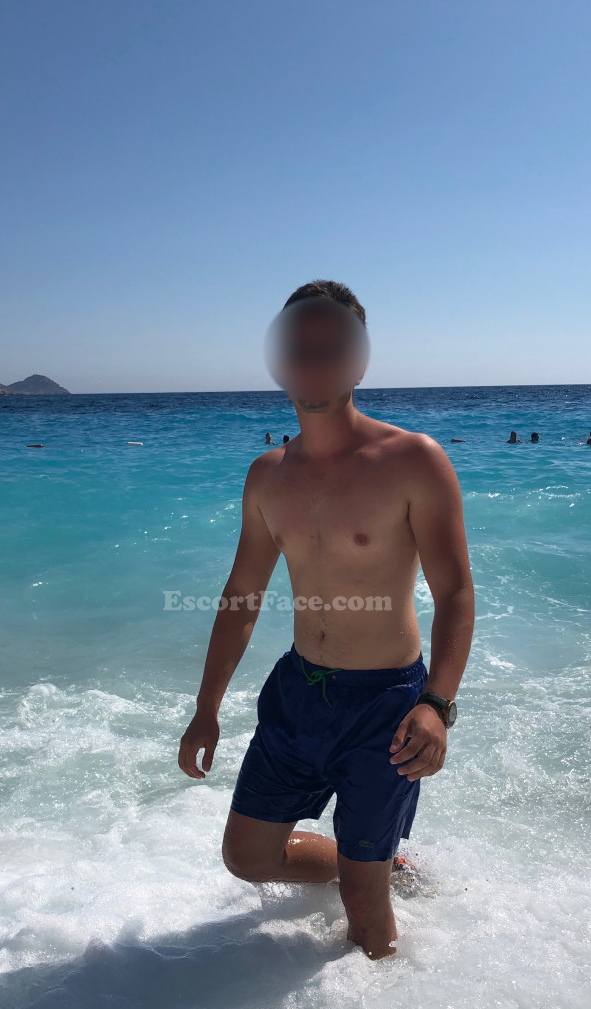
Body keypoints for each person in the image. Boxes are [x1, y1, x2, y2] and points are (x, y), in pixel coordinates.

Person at [178, 279, 475, 961]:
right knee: (248, 856)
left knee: (365, 914)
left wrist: (437, 705)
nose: (312, 361)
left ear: (358, 362)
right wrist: (206, 707)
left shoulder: (414, 460)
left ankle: (384, 992)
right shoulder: (267, 475)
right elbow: (242, 595)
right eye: (298, 348)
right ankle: (378, 863)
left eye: (331, 347)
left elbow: (456, 592)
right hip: (298, 694)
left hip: (385, 707)